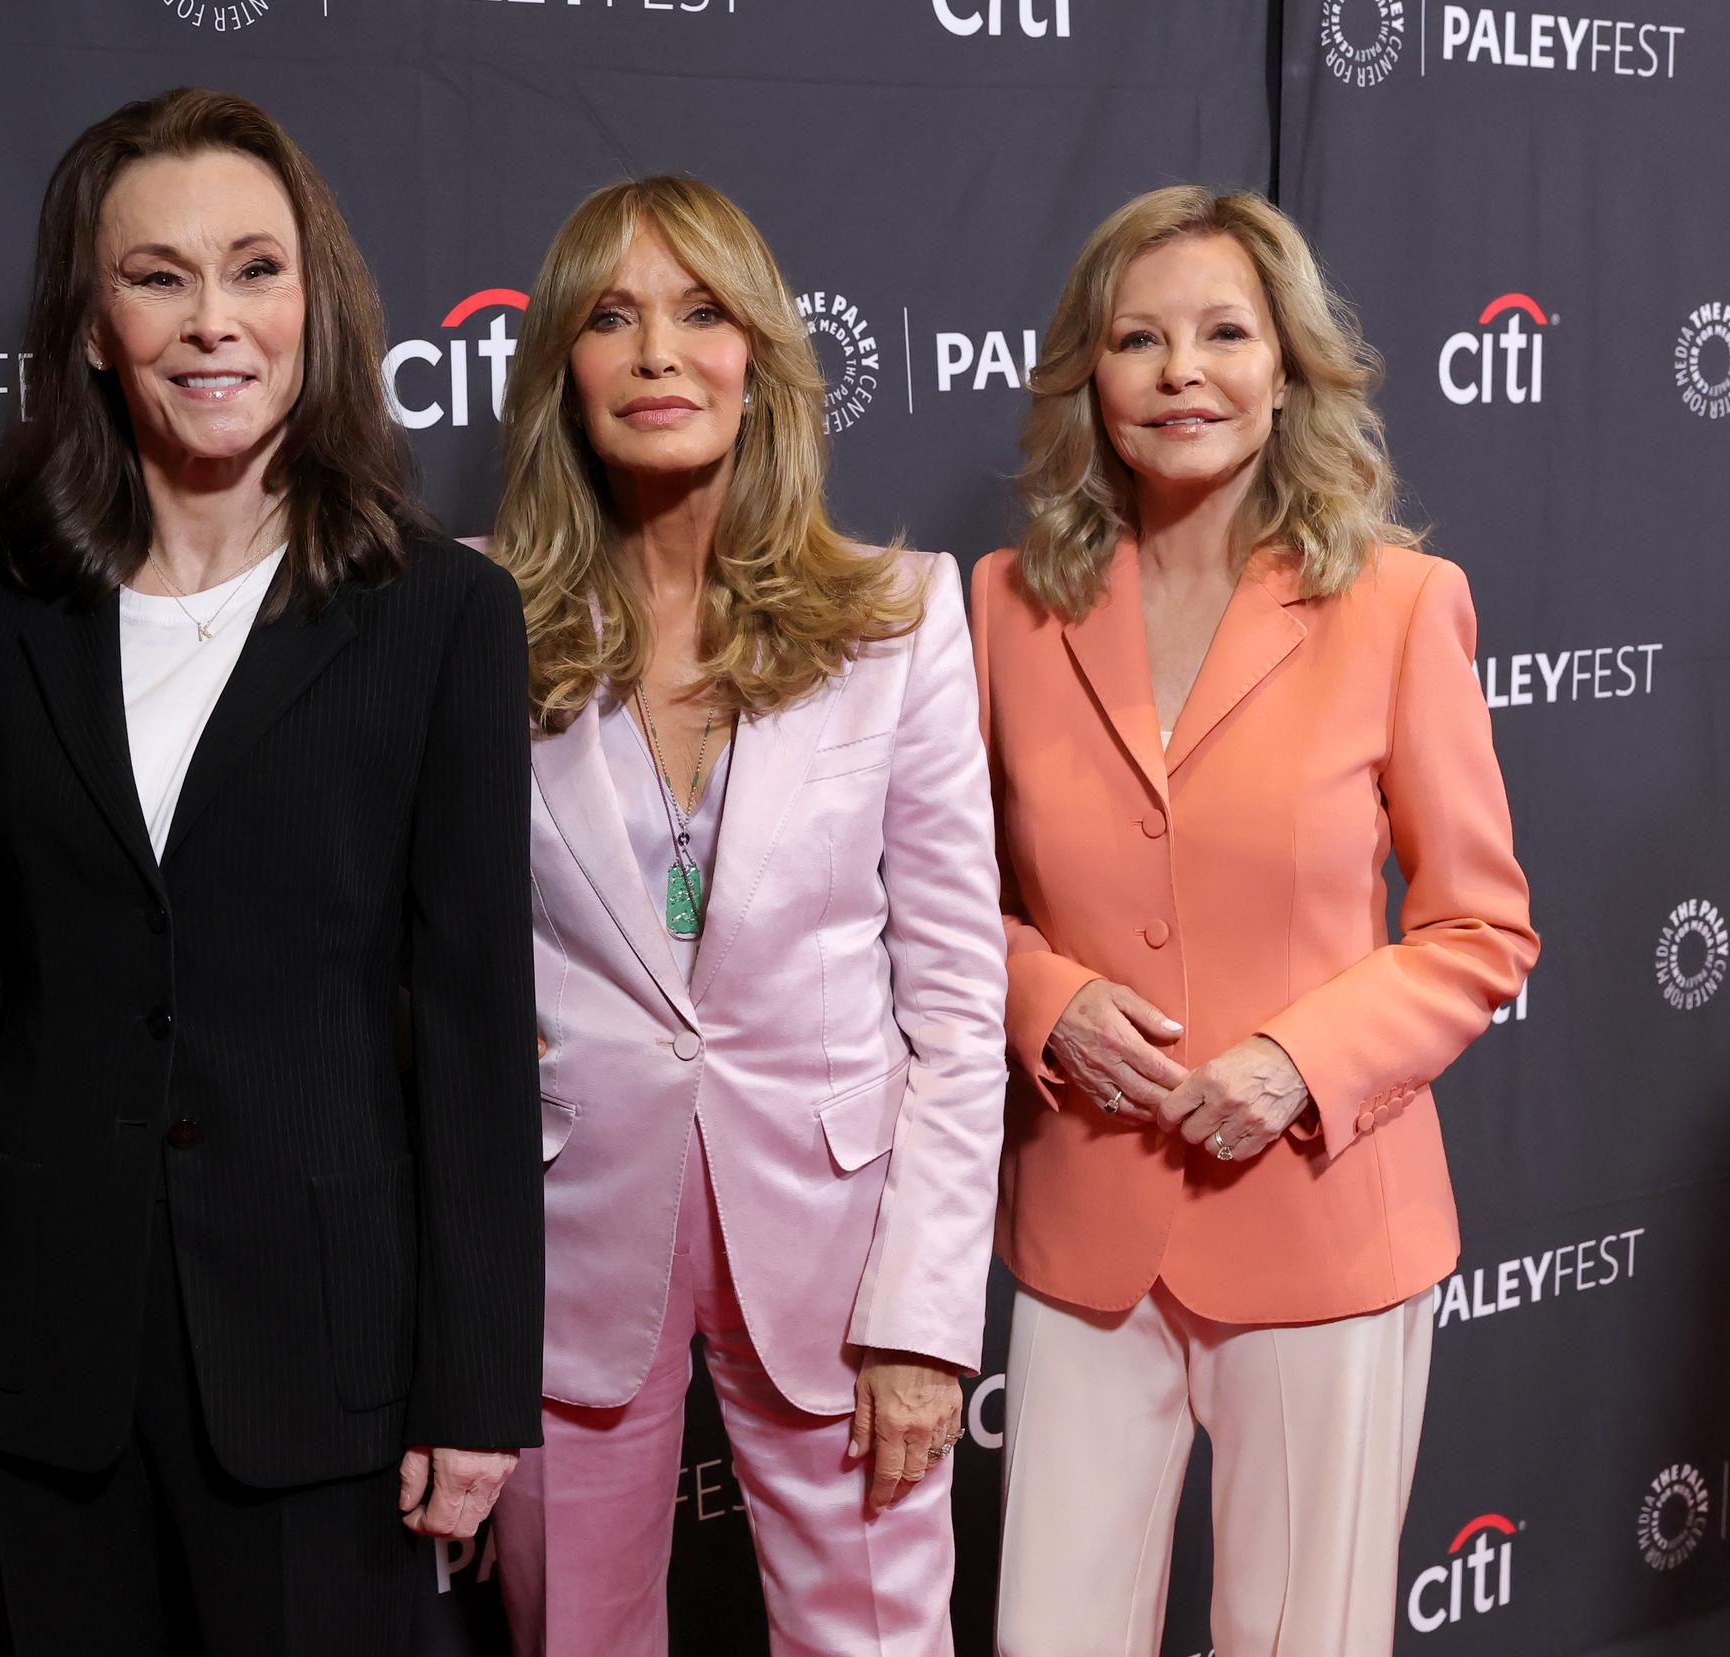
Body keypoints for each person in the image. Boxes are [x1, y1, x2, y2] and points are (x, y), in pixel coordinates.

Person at [0, 87, 541, 1656]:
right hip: (46, 1349)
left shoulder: (439, 616)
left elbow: (477, 1027)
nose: (211, 320)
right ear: (93, 324)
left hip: (325, 1356)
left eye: (254, 269)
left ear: (318, 302)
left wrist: (477, 1385)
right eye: (157, 275)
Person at [973, 185, 1539, 1656]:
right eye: (1139, 338)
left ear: (1286, 366)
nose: (1182, 373)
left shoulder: (1402, 606)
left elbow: (1481, 928)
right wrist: (1045, 1001)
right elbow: (947, 896)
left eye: (1225, 332)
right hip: (1086, 1220)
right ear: (1086, 378)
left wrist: (1299, 1058)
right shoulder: (998, 611)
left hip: (1322, 1219)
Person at [483, 174, 1009, 1657]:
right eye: (612, 316)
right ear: (562, 373)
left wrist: (922, 1314)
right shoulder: (471, 625)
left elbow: (964, 1009)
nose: (659, 352)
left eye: (701, 311)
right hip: (562, 1242)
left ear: (761, 356)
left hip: (843, 1253)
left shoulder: (899, 618)